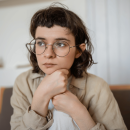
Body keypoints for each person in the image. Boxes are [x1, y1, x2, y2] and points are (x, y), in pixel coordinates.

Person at [10, 3, 127, 130]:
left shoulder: (97, 87)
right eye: (41, 43)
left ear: (78, 51)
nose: (48, 54)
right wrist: (41, 96)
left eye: (60, 44)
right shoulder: (23, 82)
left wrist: (79, 112)